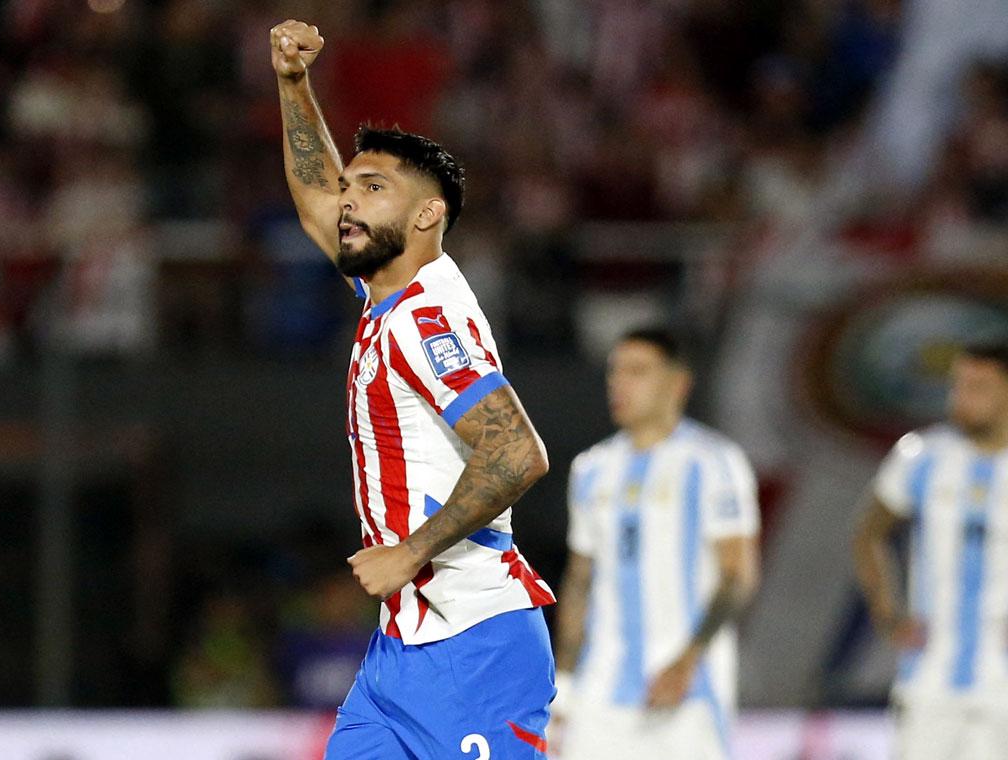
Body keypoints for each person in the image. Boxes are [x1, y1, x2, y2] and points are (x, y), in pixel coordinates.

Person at [271, 19, 556, 760]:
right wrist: (294, 83)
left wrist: (411, 552)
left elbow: (517, 453)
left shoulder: (427, 320)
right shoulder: (387, 296)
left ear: (428, 215)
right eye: (349, 188)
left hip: (474, 645)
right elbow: (312, 201)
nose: (347, 203)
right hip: (402, 648)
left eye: (372, 188)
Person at [552, 327, 761, 759]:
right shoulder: (592, 469)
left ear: (677, 383)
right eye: (615, 372)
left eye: (637, 371)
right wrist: (567, 681)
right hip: (602, 693)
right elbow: (580, 581)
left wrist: (687, 661)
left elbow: (737, 575)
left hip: (687, 694)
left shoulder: (714, 463)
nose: (619, 384)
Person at [854, 340, 1008, 760]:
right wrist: (889, 614)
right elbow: (869, 535)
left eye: (977, 387)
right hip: (929, 680)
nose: (960, 398)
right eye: (958, 385)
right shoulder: (922, 454)